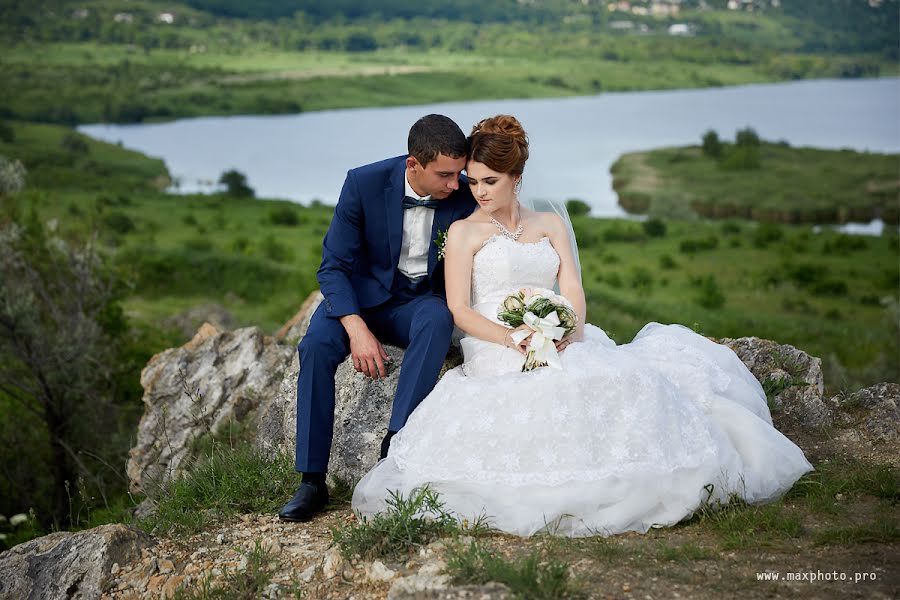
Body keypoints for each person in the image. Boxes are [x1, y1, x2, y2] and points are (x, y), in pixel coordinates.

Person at [351, 115, 813, 537]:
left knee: (614, 378)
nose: (479, 192)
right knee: (534, 399)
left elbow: (572, 290)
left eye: (490, 181)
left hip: (560, 335)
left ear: (517, 178)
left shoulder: (550, 223)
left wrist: (566, 331)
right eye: (472, 182)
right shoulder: (464, 233)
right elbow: (459, 310)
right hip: (494, 343)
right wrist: (515, 337)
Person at [278, 115, 478, 522]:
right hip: (361, 301)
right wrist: (356, 329)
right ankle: (312, 480)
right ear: (412, 164)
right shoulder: (362, 183)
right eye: (444, 175)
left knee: (437, 320)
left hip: (418, 302)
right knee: (315, 345)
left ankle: (395, 446)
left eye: (459, 173)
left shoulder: (463, 193)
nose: (454, 185)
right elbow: (333, 267)